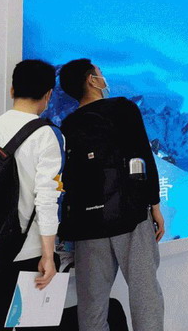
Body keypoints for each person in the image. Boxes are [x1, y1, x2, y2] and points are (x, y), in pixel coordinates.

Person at [59, 59, 165, 331]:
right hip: (130, 215)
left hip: (87, 226)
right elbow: (143, 156)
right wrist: (154, 205)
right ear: (92, 80)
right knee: (144, 295)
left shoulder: (68, 125)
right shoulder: (123, 109)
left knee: (92, 307)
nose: (103, 76)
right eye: (99, 72)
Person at [0, 59, 64, 331]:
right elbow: (47, 200)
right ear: (48, 95)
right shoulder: (47, 135)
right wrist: (48, 255)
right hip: (26, 252)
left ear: (12, 90)